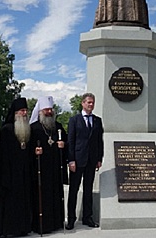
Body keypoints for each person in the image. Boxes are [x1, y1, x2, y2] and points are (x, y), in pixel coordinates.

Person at [0, 97, 33, 237]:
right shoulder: (7, 129)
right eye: (22, 111)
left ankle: (22, 228)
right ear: (15, 112)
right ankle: (8, 230)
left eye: (26, 111)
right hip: (9, 173)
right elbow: (2, 155)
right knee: (9, 203)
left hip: (23, 173)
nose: (24, 113)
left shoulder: (27, 130)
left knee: (23, 200)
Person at [30, 96, 68, 234]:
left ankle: (57, 223)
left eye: (51, 109)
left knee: (55, 196)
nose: (49, 112)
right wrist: (34, 151)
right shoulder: (33, 128)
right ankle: (42, 225)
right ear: (40, 111)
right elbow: (27, 149)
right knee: (42, 197)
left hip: (55, 169)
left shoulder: (57, 127)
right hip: (40, 169)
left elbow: (67, 142)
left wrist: (63, 145)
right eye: (46, 110)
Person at [66, 93, 104, 230]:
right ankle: (71, 219)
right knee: (73, 190)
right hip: (77, 160)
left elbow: (99, 141)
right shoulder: (74, 120)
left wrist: (99, 158)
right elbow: (70, 141)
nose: (91, 105)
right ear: (82, 103)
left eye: (92, 102)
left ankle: (88, 217)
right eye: (88, 102)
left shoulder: (98, 120)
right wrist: (71, 160)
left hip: (91, 161)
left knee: (88, 190)